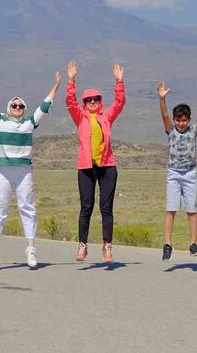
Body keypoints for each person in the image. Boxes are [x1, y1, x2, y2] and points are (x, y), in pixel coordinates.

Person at [0, 64, 61, 270]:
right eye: (14, 106)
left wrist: (57, 85)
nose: (17, 108)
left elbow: (45, 106)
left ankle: (31, 249)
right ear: (8, 108)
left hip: (24, 171)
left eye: (20, 106)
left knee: (27, 208)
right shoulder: (0, 122)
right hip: (3, 171)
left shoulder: (30, 123)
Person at [65, 60, 125, 263]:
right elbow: (70, 102)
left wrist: (119, 82)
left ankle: (107, 246)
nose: (92, 102)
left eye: (95, 100)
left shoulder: (106, 116)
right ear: (84, 102)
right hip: (86, 167)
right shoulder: (80, 117)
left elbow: (119, 103)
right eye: (88, 100)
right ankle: (82, 245)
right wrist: (71, 80)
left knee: (106, 208)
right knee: (86, 207)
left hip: (107, 166)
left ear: (100, 101)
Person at [157, 81, 197, 261]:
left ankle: (193, 243)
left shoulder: (193, 131)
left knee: (191, 210)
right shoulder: (171, 130)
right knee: (171, 209)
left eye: (184, 120)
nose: (181, 123)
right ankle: (168, 244)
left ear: (189, 119)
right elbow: (164, 115)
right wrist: (162, 99)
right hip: (174, 174)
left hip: (190, 174)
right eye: (178, 120)